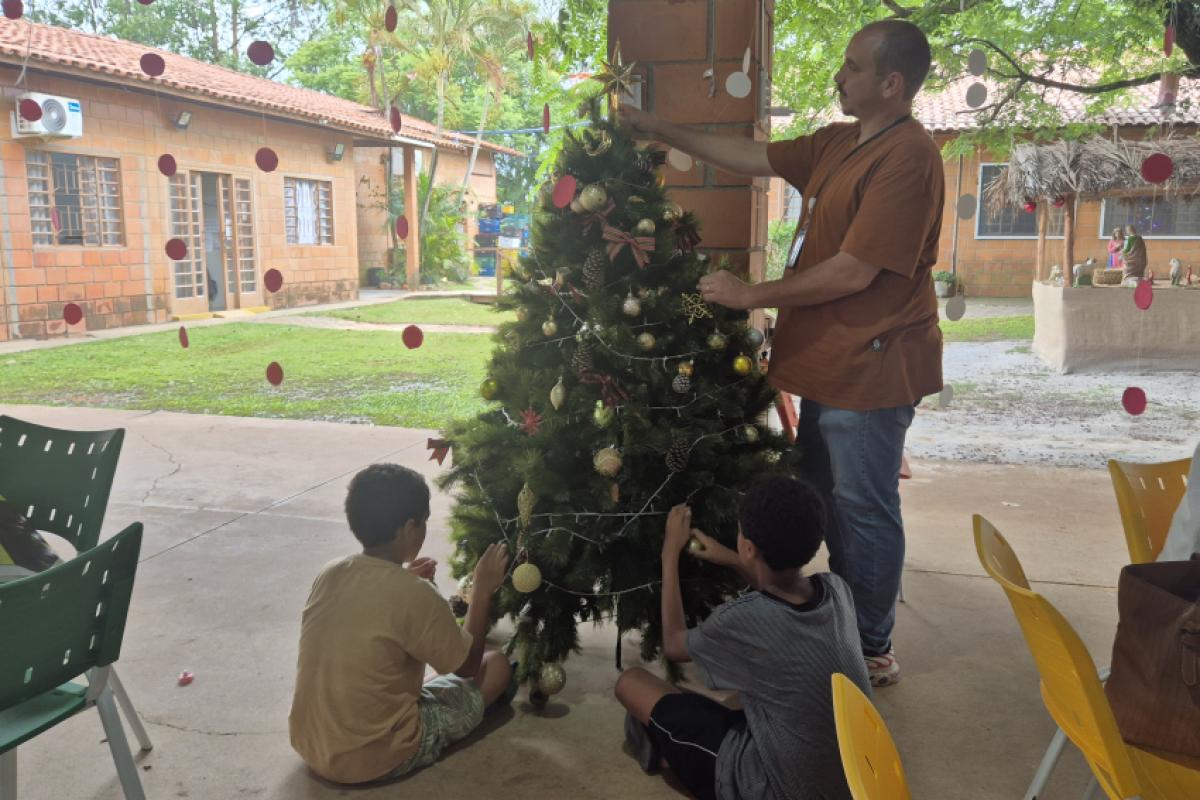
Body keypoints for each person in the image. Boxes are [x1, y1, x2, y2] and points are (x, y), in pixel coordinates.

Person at [620, 19, 943, 686]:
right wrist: (661, 129)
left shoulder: (909, 159)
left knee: (864, 506)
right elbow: (748, 157)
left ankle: (871, 645)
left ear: (893, 83)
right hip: (829, 359)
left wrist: (751, 294)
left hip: (872, 365)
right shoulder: (838, 141)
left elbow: (856, 269)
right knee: (825, 496)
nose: (839, 77)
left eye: (854, 68)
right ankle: (837, 624)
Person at [615, 476, 871, 800]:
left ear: (749, 545)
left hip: (770, 786)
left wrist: (670, 553)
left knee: (632, 682)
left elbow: (674, 644)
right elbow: (781, 589)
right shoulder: (837, 589)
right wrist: (733, 559)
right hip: (858, 780)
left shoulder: (742, 618)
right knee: (709, 701)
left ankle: (669, 753)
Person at [289, 464, 512, 785]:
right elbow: (468, 666)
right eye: (424, 522)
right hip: (372, 757)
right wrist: (482, 590)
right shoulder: (415, 594)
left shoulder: (332, 571)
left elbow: (369, 603)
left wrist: (404, 576)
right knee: (498, 664)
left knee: (415, 667)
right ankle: (411, 742)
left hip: (311, 743)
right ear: (409, 528)